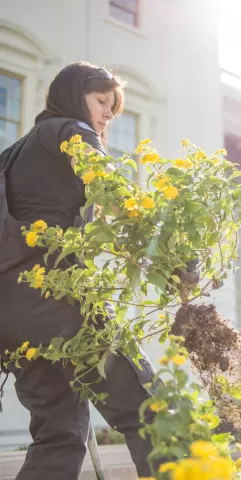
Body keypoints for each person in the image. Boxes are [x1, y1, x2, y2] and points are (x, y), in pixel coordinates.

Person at [0, 62, 160, 480]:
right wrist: (170, 254)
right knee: (149, 406)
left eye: (113, 106)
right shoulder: (71, 131)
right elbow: (114, 190)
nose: (108, 114)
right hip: (53, 296)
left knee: (59, 433)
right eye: (101, 101)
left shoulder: (12, 155)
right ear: (74, 96)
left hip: (8, 319)